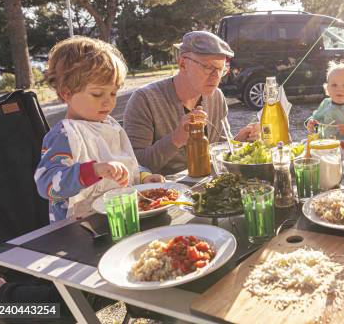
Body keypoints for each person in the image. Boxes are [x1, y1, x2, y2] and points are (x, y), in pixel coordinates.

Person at [35, 37, 164, 222]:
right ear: (66, 93)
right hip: (79, 229)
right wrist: (93, 170)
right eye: (97, 94)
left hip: (121, 218)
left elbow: (127, 161)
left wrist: (143, 177)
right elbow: (46, 183)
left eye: (113, 93)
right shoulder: (64, 135)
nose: (109, 101)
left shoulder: (110, 125)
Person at [123, 31, 260, 176]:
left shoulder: (216, 97)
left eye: (221, 69)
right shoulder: (144, 99)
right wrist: (175, 139)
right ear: (183, 63)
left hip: (207, 184)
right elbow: (135, 164)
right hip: (166, 192)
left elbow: (217, 145)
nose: (216, 76)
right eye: (208, 67)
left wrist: (238, 142)